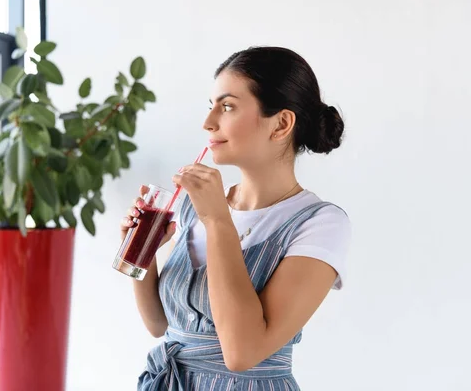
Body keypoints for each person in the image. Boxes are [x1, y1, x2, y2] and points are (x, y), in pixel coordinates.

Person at [120, 46, 351, 390]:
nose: (208, 122)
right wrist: (141, 251)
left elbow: (242, 352)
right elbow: (159, 324)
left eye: (227, 106)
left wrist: (217, 220)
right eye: (210, 106)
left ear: (282, 123)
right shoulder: (192, 207)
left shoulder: (319, 224)